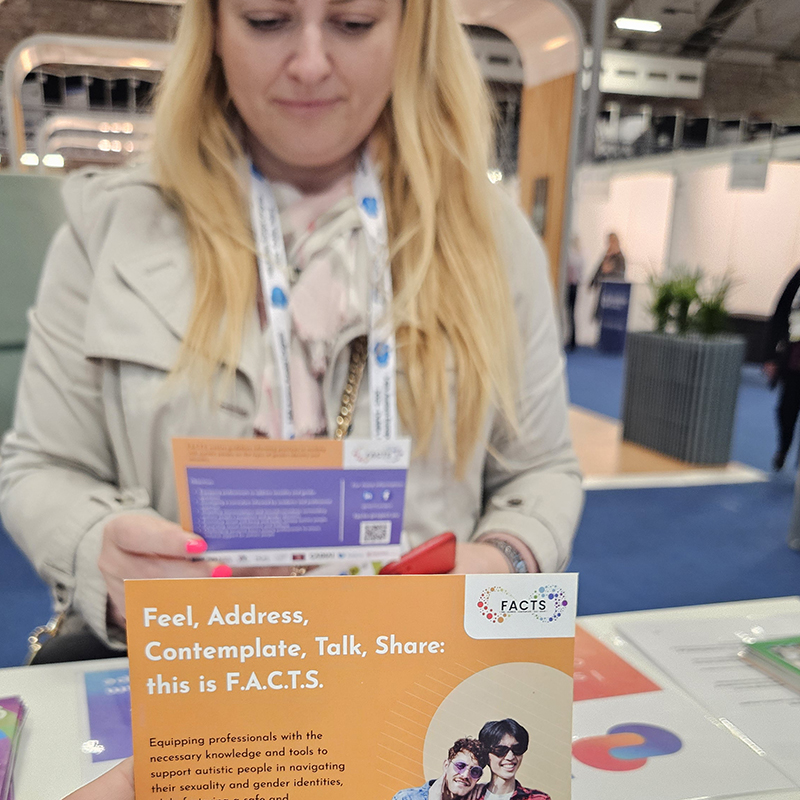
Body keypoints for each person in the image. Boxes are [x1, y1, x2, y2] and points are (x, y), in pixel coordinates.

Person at [0, 0, 582, 657]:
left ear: (409, 34)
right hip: (192, 690)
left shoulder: (493, 242)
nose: (309, 65)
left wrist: (506, 558)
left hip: (417, 681)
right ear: (215, 30)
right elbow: (41, 466)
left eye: (353, 23)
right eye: (267, 21)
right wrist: (95, 549)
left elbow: (543, 470)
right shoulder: (106, 230)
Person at [764, 265, 800, 470]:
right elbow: (779, 315)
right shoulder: (798, 276)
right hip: (794, 359)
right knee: (786, 411)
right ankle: (783, 448)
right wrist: (770, 356)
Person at [475, 718, 550, 800]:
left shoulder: (538, 798)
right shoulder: (470, 796)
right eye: (500, 750)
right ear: (486, 753)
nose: (510, 757)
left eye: (517, 748)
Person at [392, 738, 488, 800]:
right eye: (460, 766)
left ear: (478, 778)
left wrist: (489, 788)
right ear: (446, 765)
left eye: (474, 771)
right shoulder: (407, 798)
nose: (465, 775)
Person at [565, 235, 584, 352]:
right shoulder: (580, 256)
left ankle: (572, 340)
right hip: (574, 286)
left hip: (570, 286)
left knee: (570, 312)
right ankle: (571, 340)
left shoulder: (571, 255)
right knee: (571, 313)